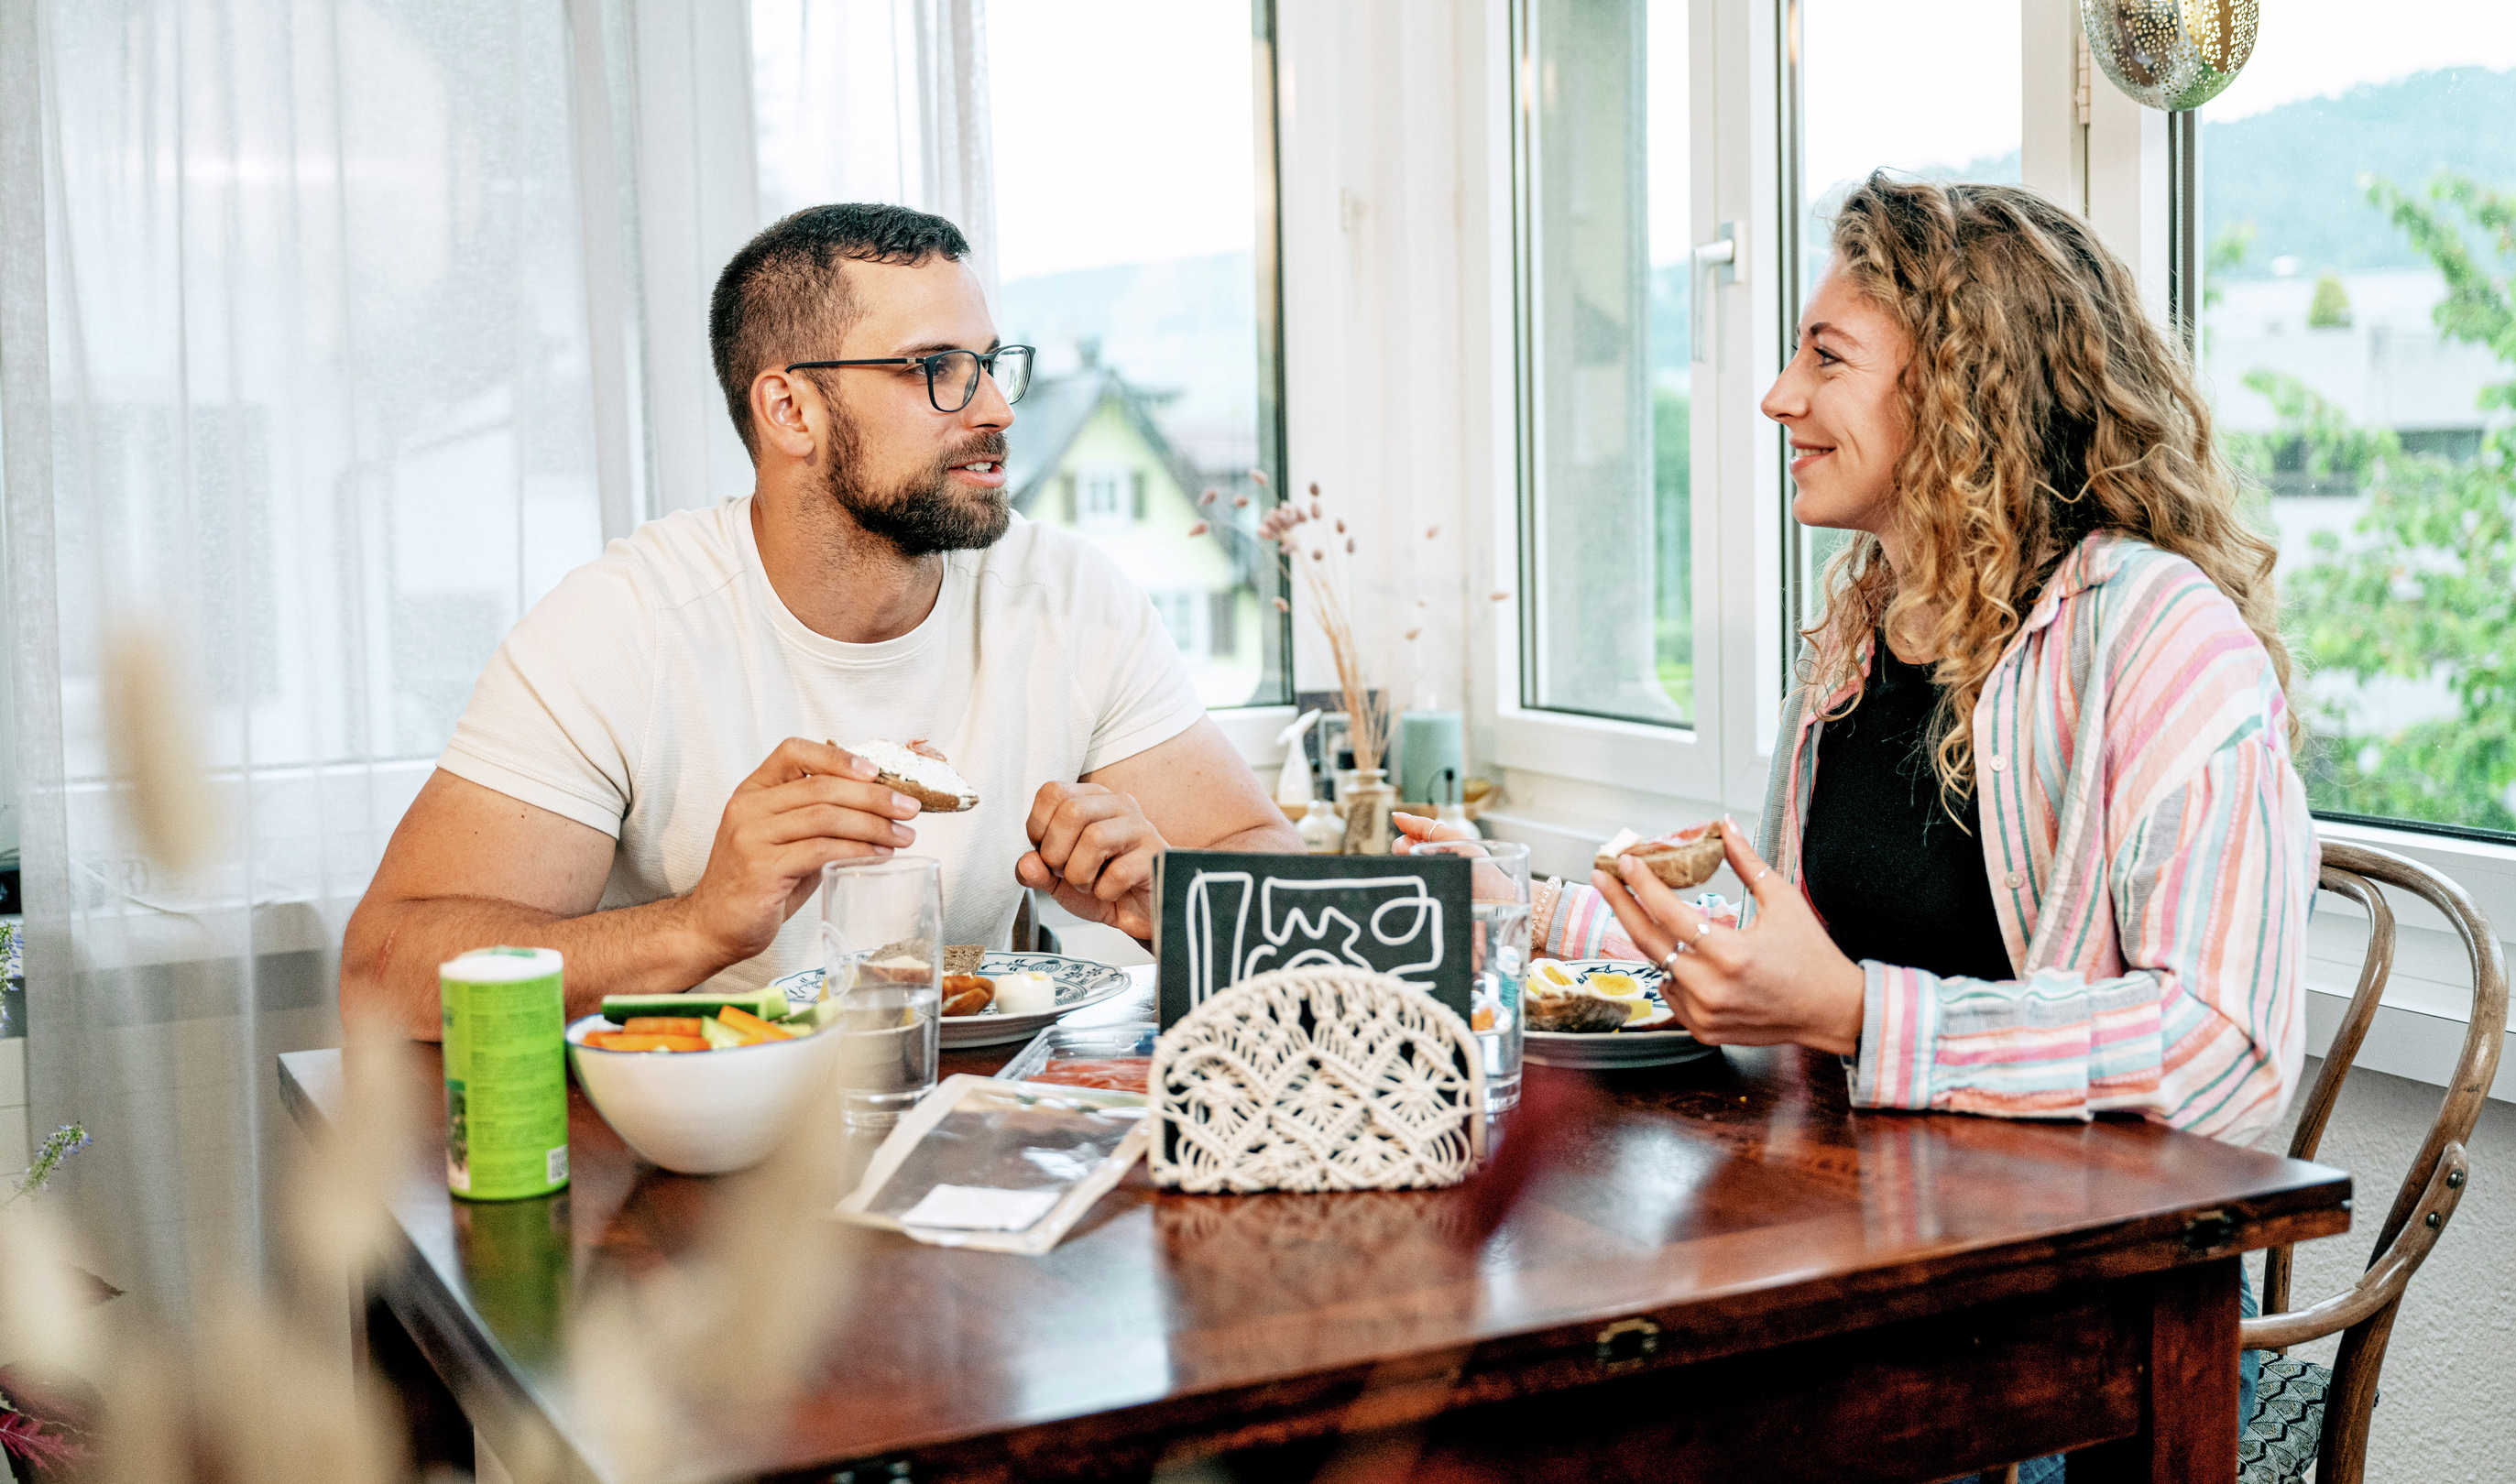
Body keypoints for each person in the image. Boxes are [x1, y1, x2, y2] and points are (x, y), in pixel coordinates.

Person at [1407, 173, 2314, 1475]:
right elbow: (1789, 951)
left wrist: (1857, 1020)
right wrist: (1520, 908)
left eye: (1824, 358)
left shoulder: (2158, 637)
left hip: (2075, 1306)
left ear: (1960, 389)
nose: (1778, 396)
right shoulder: (1865, 635)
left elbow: (2227, 1051)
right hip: (1876, 1245)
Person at [342, 204, 1297, 1040]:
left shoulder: (1068, 597)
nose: (999, 408)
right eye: (936, 368)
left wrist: (1169, 895)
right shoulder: (625, 625)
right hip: (702, 1168)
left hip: (968, 1133)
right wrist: (703, 922)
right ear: (790, 409)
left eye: (993, 365)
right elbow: (384, 975)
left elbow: (1288, 888)